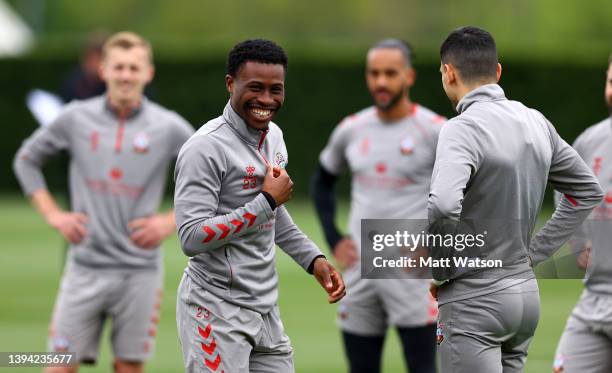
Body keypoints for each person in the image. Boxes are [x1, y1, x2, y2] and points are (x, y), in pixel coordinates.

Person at [13, 31, 194, 373]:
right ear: (104, 70)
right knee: (57, 365)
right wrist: (54, 215)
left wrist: (169, 221)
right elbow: (27, 159)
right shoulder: (76, 117)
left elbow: (210, 177)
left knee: (127, 367)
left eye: (133, 67)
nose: (126, 75)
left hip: (139, 272)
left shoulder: (168, 125)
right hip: (84, 266)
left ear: (148, 73)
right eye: (119, 67)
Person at [427, 26, 603, 373]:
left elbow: (444, 205)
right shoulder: (535, 121)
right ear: (498, 72)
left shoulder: (461, 128)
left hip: (473, 299)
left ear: (448, 73)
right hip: (523, 297)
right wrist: (533, 253)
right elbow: (587, 190)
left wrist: (442, 270)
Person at [174, 39, 346, 373]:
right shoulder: (205, 149)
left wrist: (313, 259)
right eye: (255, 88)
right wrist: (266, 200)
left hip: (264, 310)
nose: (266, 100)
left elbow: (273, 215)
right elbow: (191, 237)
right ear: (230, 84)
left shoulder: (275, 137)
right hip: (215, 308)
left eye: (275, 89)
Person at [311, 39, 443, 373]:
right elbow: (321, 182)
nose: (381, 82)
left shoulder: (436, 130)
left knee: (422, 368)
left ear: (409, 76)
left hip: (412, 271)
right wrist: (334, 237)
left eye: (390, 73)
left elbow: (472, 192)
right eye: (374, 73)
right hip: (360, 266)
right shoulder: (352, 129)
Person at [552, 55, 612, 373]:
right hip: (595, 301)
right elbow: (565, 187)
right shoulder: (591, 140)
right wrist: (578, 240)